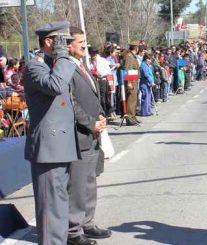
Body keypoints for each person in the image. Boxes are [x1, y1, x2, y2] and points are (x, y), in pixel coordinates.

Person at [23, 21, 79, 245]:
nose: (65, 48)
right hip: (49, 148)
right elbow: (55, 86)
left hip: (60, 145)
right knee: (50, 209)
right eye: (61, 43)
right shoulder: (35, 66)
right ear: (48, 42)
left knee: (59, 205)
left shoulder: (53, 64)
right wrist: (64, 57)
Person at [66, 26, 111, 245]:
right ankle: (74, 232)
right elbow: (71, 105)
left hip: (93, 135)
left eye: (85, 41)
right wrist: (91, 123)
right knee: (78, 186)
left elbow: (92, 97)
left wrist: (101, 115)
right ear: (68, 45)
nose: (85, 45)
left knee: (90, 182)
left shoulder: (82, 65)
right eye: (80, 42)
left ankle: (88, 223)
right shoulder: (65, 69)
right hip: (79, 136)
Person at [122, 42, 139, 125]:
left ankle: (133, 116)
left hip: (134, 79)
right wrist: (129, 82)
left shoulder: (133, 56)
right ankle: (129, 118)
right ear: (136, 48)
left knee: (134, 99)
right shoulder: (129, 57)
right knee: (131, 100)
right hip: (131, 81)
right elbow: (127, 69)